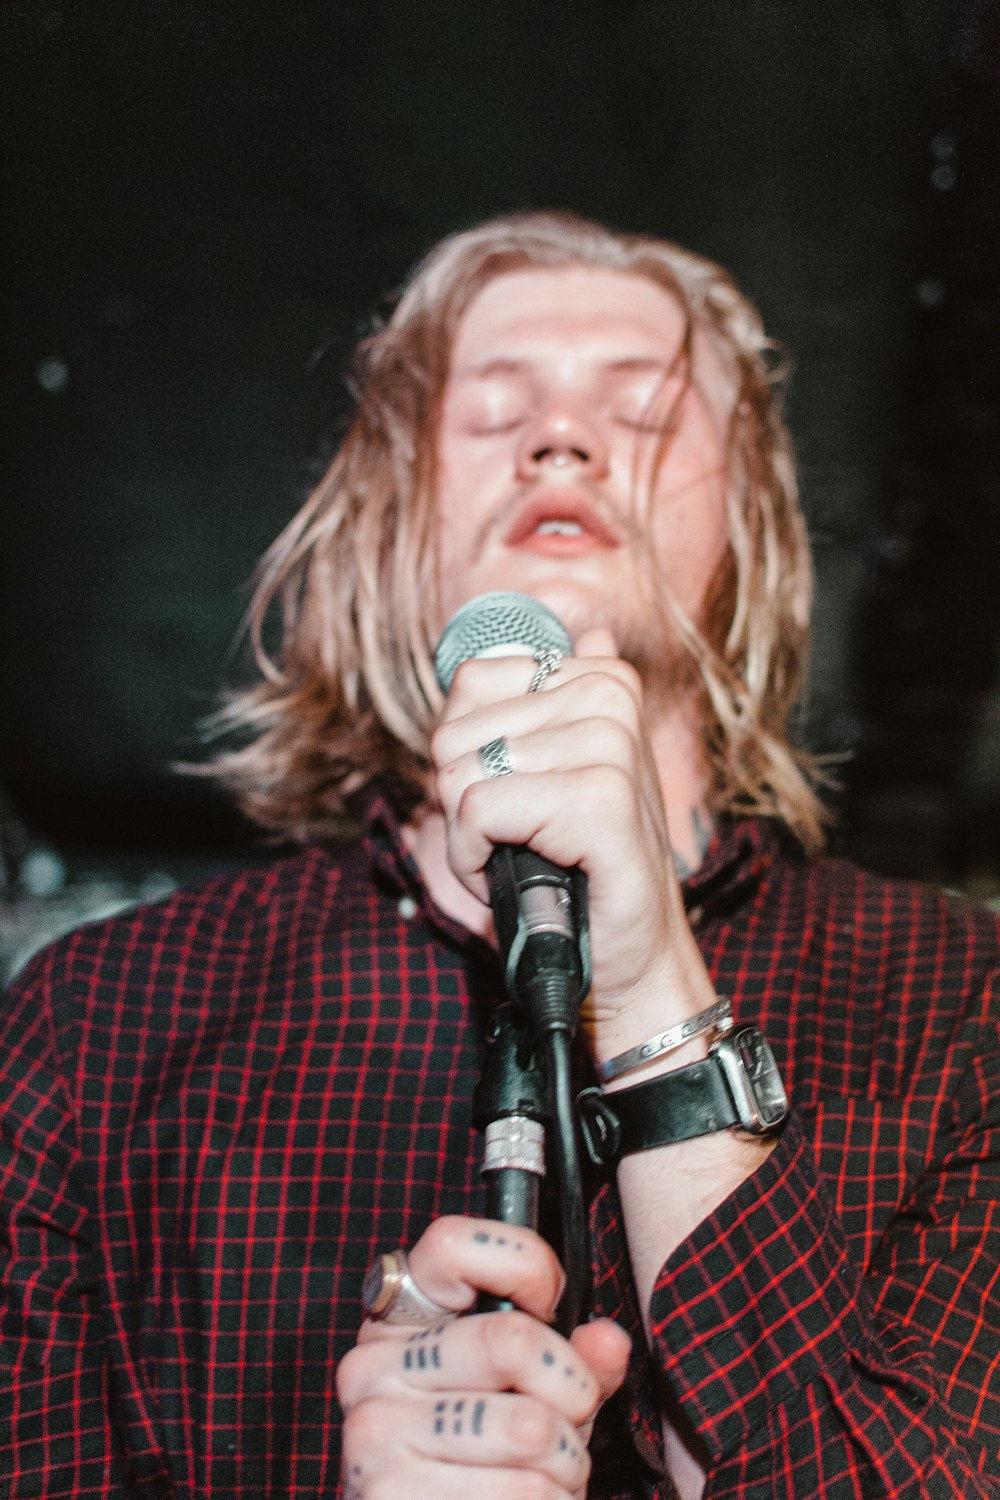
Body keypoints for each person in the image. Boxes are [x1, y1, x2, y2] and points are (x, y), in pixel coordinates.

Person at [1, 212, 997, 1499]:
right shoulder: (105, 1021)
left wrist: (649, 991)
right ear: (392, 520)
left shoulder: (956, 995)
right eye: (490, 412)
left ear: (747, 520)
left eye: (638, 411)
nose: (561, 438)